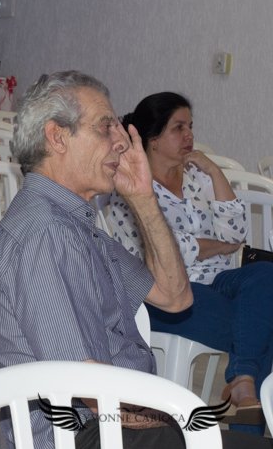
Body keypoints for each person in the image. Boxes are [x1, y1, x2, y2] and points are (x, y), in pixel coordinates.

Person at [0, 71, 269, 449]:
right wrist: (173, 416)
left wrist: (144, 199)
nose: (121, 142)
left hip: (112, 424)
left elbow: (175, 297)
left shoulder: (76, 225)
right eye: (105, 128)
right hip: (86, 435)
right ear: (57, 137)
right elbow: (77, 381)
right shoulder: (45, 232)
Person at [109, 92, 273, 432]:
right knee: (262, 325)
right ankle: (247, 410)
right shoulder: (129, 186)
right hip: (166, 292)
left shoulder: (198, 177)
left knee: (265, 273)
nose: (190, 135)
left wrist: (214, 170)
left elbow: (237, 233)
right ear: (152, 139)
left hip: (219, 281)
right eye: (178, 128)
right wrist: (216, 246)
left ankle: (242, 382)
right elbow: (167, 251)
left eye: (190, 126)